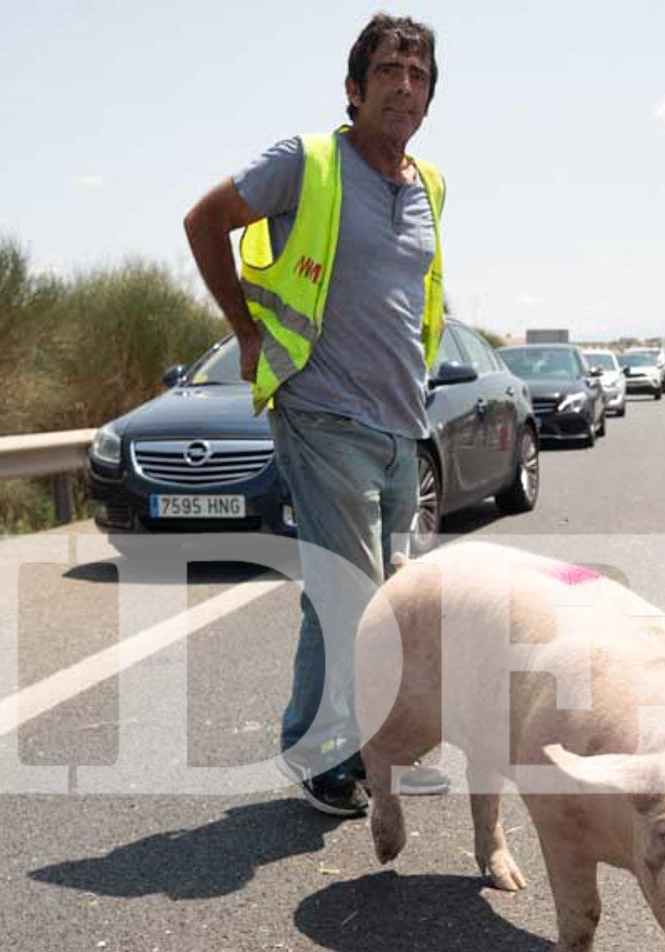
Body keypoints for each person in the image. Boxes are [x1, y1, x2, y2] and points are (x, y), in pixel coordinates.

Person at [183, 13, 448, 819]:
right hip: (321, 409)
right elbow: (203, 222)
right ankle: (332, 756)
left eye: (418, 74)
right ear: (354, 88)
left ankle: (361, 744)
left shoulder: (431, 184)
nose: (404, 86)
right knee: (352, 596)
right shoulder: (308, 162)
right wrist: (247, 331)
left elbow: (417, 298)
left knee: (387, 598)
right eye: (389, 72)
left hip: (404, 421)